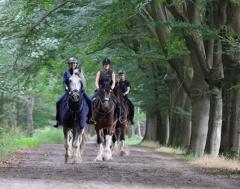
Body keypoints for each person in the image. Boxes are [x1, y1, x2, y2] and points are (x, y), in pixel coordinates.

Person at [53, 57, 92, 128]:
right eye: (71, 63)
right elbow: (64, 82)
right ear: (69, 65)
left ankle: (90, 118)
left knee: (89, 101)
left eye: (74, 63)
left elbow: (84, 81)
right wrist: (66, 87)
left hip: (79, 92)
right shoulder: (66, 73)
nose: (73, 64)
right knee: (58, 102)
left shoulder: (79, 72)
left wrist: (83, 88)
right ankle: (58, 120)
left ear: (76, 64)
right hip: (69, 92)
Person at [93, 57, 123, 122]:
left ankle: (119, 117)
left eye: (107, 64)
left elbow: (114, 82)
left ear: (109, 65)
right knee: (92, 100)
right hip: (100, 90)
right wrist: (98, 88)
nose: (106, 65)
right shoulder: (99, 72)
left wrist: (111, 89)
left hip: (109, 91)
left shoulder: (112, 73)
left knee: (117, 103)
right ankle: (92, 117)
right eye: (105, 64)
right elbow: (96, 81)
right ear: (103, 65)